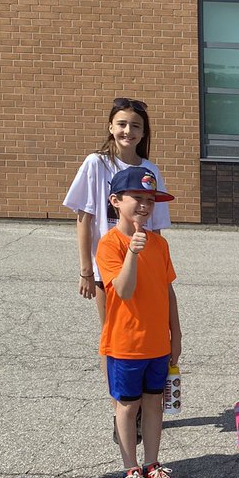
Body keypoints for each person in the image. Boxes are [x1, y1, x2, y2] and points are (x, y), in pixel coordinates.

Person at [96, 167, 182, 478]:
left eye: (150, 200)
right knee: (127, 406)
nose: (145, 206)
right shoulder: (109, 245)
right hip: (125, 345)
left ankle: (152, 463)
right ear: (116, 201)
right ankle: (130, 470)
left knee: (154, 403)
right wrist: (132, 251)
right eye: (138, 199)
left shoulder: (160, 243)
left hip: (157, 342)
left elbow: (167, 290)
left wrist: (176, 332)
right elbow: (125, 290)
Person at [64, 97, 171, 329]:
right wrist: (86, 271)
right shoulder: (96, 163)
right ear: (110, 127)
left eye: (135, 126)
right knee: (110, 329)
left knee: (139, 326)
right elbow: (84, 218)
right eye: (121, 124)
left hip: (141, 263)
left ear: (143, 133)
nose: (127, 131)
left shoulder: (151, 170)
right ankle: (110, 368)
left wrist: (159, 270)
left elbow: (156, 227)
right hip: (106, 265)